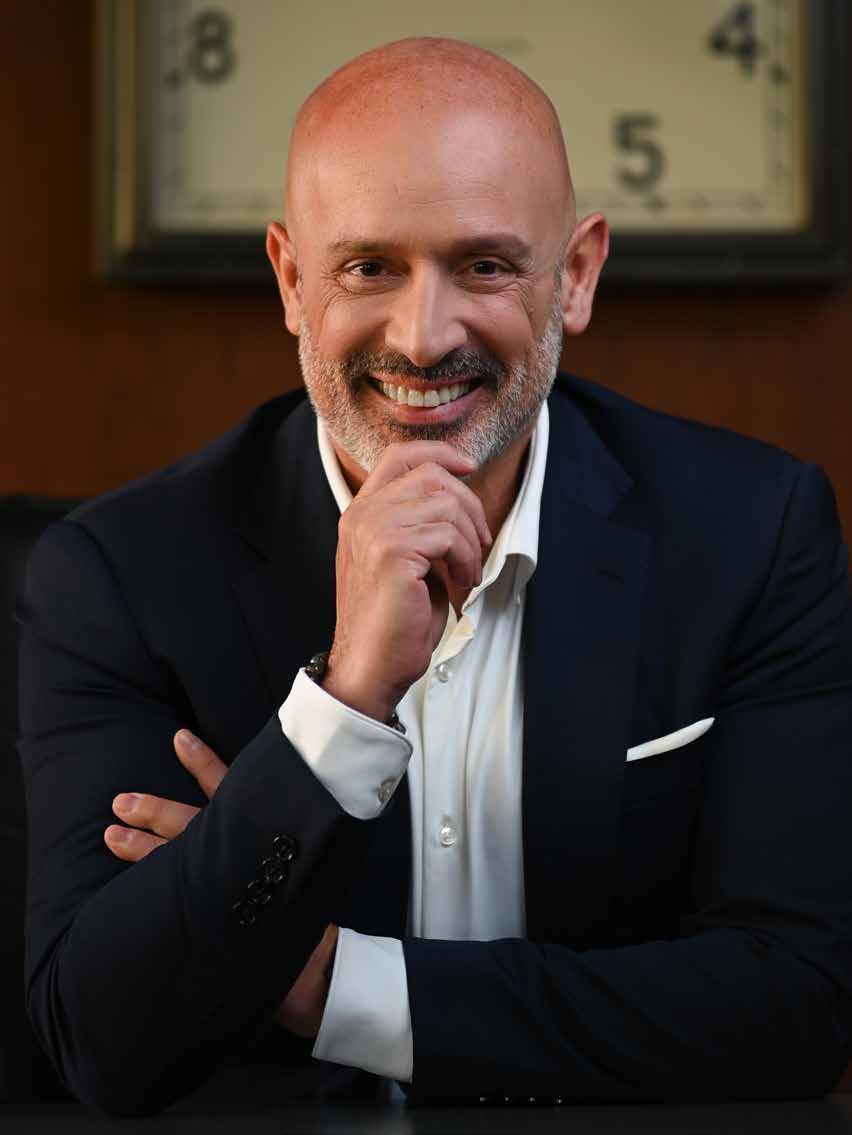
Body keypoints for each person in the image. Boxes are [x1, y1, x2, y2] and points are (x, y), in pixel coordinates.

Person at [17, 36, 852, 1117]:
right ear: (291, 280)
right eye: (369, 267)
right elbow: (99, 1039)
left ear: (577, 276)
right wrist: (343, 702)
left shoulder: (755, 532)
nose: (422, 338)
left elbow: (799, 1004)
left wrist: (334, 986)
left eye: (485, 266)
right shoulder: (118, 575)